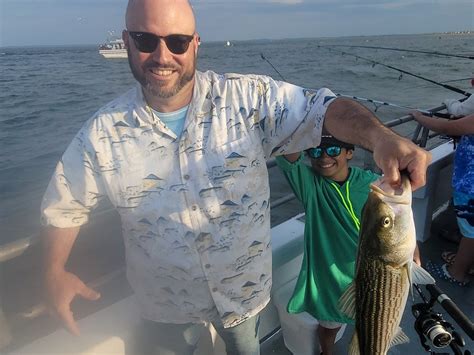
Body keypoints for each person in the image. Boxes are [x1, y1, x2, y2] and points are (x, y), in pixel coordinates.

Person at [40, 0, 431, 354]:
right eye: (146, 39)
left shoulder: (247, 99)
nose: (162, 55)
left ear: (195, 44)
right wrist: (55, 271)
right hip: (164, 304)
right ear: (126, 40)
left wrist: (380, 137)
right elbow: (65, 204)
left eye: (176, 41)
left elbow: (319, 108)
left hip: (242, 296)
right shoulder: (101, 131)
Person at [276, 136, 379, 355]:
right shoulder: (310, 185)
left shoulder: (372, 183)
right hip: (332, 281)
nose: (324, 157)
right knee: (329, 325)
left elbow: (398, 220)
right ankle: (327, 353)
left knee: (370, 325)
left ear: (349, 152)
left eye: (333, 150)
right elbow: (287, 154)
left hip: (371, 274)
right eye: (315, 152)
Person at [411, 102, 474, 287]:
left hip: (470, 186)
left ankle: (457, 273)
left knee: (471, 231)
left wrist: (420, 117)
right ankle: (467, 260)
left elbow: (447, 127)